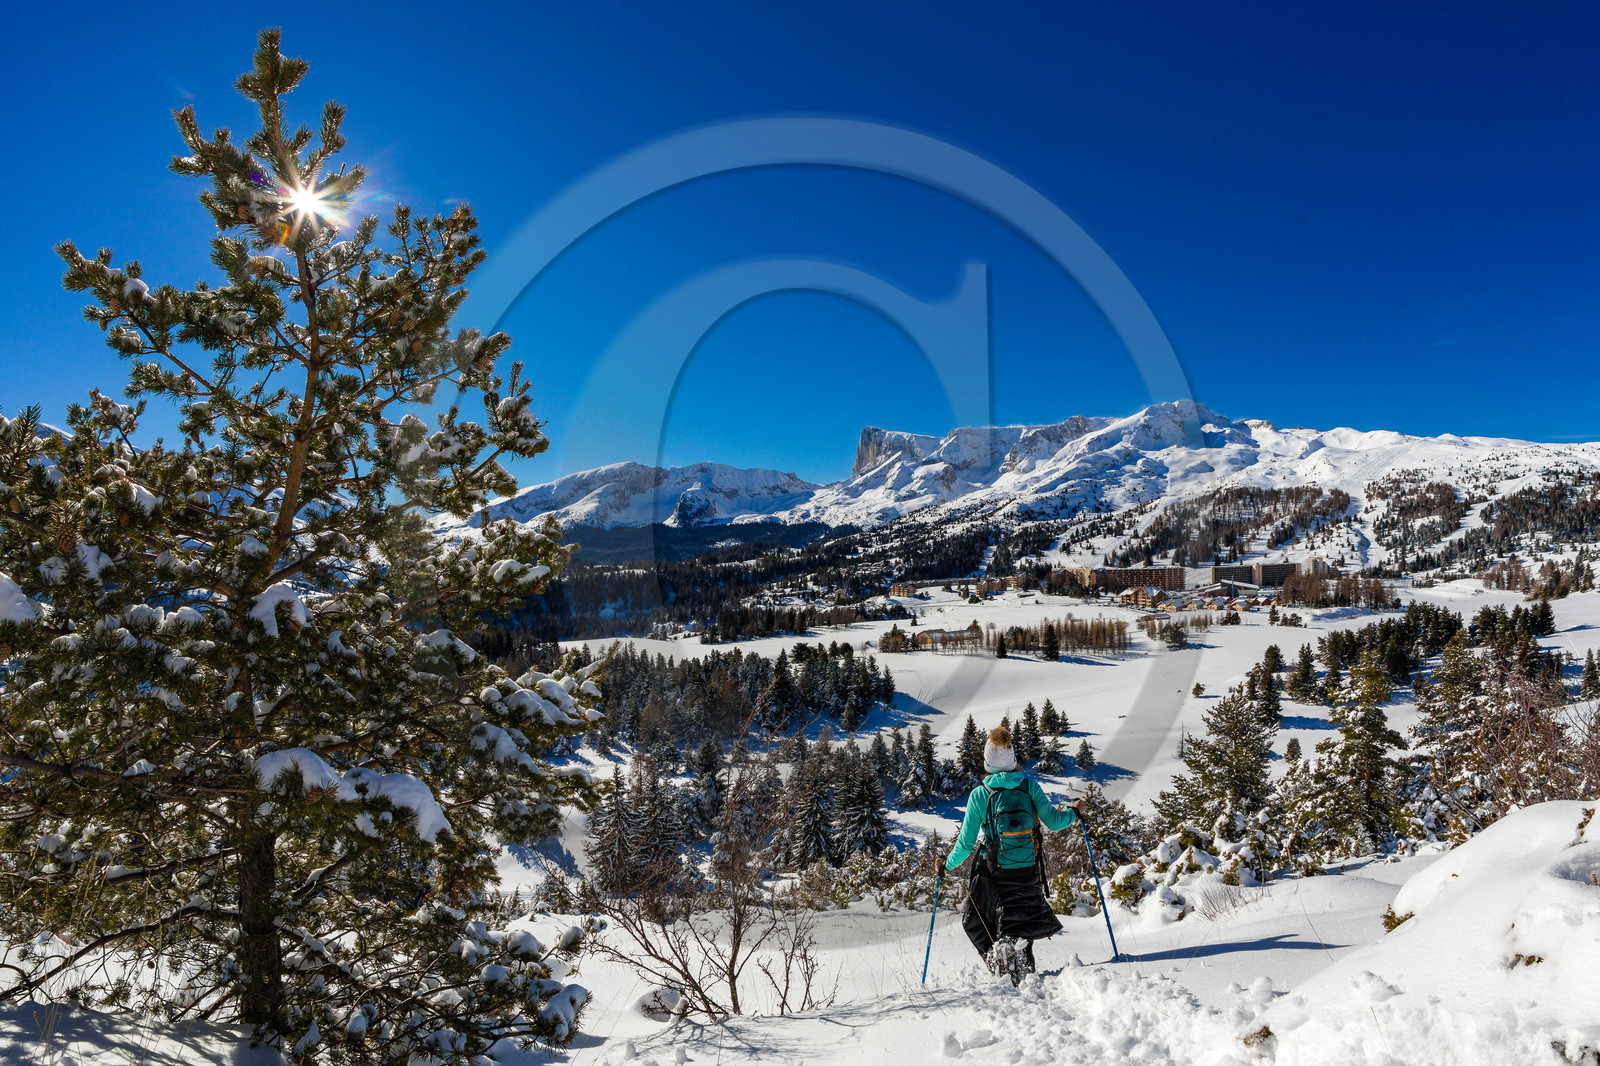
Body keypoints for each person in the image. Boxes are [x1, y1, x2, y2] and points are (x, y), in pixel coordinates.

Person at [945, 725, 1083, 982]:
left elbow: (965, 845)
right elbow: (1054, 822)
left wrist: (946, 866)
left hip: (995, 873)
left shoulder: (981, 794)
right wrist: (1074, 812)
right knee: (1022, 923)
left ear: (987, 762)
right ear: (1013, 760)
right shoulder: (1029, 787)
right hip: (1028, 870)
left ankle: (996, 958)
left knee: (973, 919)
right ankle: (1022, 971)